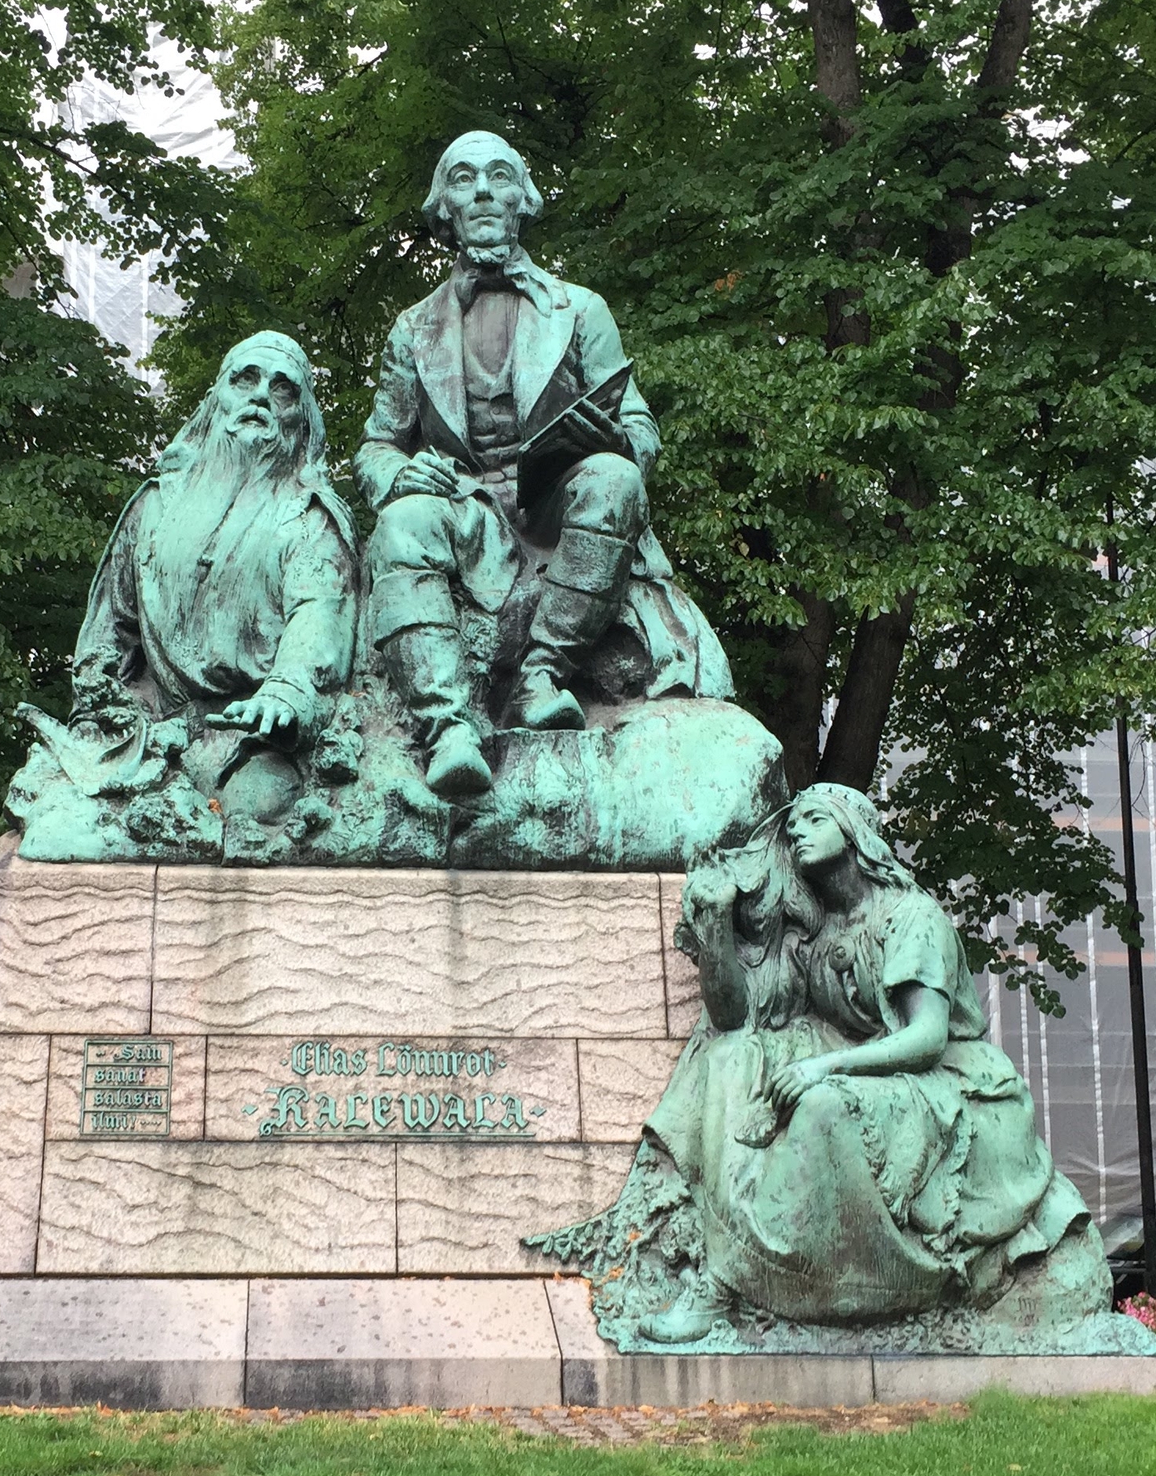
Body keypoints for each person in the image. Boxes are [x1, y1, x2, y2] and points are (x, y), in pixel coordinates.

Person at [634, 783, 1093, 1342]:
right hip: (869, 1069)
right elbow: (733, 1016)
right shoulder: (816, 932)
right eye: (794, 823)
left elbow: (926, 1039)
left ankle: (728, 1283)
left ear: (853, 832)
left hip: (946, 1085)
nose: (797, 831)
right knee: (732, 1054)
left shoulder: (912, 916)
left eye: (814, 819)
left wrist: (824, 1068)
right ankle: (724, 1234)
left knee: (822, 1106)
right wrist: (715, 924)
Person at [355, 131, 729, 801]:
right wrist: (399, 474)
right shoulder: (412, 328)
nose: (484, 193)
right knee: (401, 524)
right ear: (445, 207)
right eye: (464, 179)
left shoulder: (580, 310)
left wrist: (608, 438)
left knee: (613, 478)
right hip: (464, 509)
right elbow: (377, 445)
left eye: (500, 177)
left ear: (522, 199)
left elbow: (641, 429)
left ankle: (543, 674)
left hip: (553, 502)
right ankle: (449, 731)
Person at [64, 331, 358, 830]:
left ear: (300, 421)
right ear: (215, 398)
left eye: (283, 390)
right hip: (151, 727)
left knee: (259, 811)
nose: (261, 396)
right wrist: (92, 707)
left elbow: (319, 615)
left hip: (253, 738)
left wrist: (286, 692)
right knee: (67, 817)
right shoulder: (153, 505)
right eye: (246, 380)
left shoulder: (310, 518)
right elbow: (111, 629)